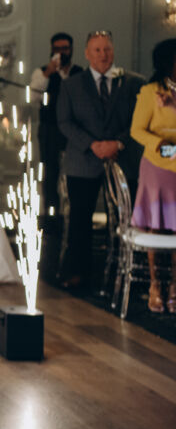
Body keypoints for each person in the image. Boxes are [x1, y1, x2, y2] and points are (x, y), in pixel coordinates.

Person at [57, 30, 143, 293]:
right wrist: (92, 145)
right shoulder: (72, 85)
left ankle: (122, 276)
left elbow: (139, 120)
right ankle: (77, 273)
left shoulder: (133, 83)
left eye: (107, 49)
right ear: (87, 53)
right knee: (80, 220)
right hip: (83, 160)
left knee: (124, 220)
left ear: (113, 51)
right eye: (97, 50)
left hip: (122, 159)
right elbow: (64, 121)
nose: (103, 55)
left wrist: (117, 143)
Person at [128, 37, 176, 312]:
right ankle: (155, 285)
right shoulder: (151, 92)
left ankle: (175, 286)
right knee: (156, 227)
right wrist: (160, 143)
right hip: (157, 165)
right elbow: (136, 130)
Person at [31, 32, 82, 215]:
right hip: (49, 129)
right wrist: (48, 73)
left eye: (65, 48)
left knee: (75, 171)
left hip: (75, 131)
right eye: (57, 49)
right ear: (51, 50)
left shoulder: (80, 73)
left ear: (71, 50)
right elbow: (33, 97)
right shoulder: (41, 72)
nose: (61, 52)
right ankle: (51, 214)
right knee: (50, 173)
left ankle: (73, 212)